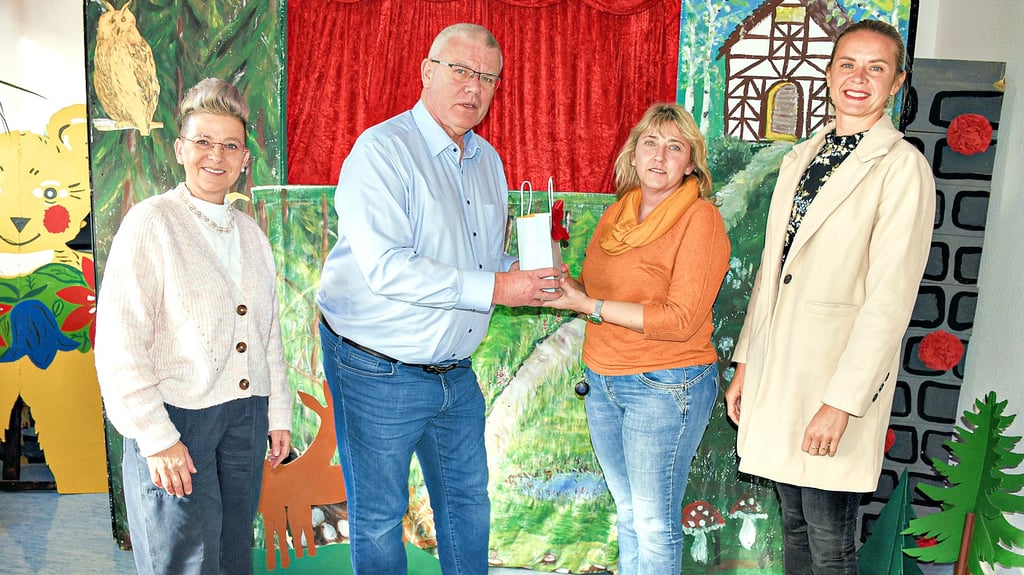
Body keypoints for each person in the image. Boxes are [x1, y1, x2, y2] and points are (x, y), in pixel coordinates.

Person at [316, 23, 560, 575]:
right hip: (376, 368)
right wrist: (501, 287)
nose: (473, 88)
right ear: (427, 72)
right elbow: (389, 269)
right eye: (461, 70)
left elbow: (479, 260)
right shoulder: (381, 151)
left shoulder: (489, 162)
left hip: (455, 374)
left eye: (488, 78)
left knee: (469, 507)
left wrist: (520, 273)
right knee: (379, 518)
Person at [724, 20, 935, 575]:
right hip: (780, 371)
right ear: (829, 72)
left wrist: (842, 402)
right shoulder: (802, 157)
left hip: (835, 380)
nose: (859, 78)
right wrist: (747, 362)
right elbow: (773, 271)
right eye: (848, 64)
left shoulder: (901, 167)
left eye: (876, 67)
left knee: (828, 542)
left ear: (897, 83)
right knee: (792, 525)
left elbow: (890, 300)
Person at [95, 78, 293, 575]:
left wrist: (278, 414)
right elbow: (119, 343)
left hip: (244, 418)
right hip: (178, 419)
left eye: (230, 145)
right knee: (182, 557)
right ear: (181, 148)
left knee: (229, 555)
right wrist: (155, 436)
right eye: (203, 141)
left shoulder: (251, 235)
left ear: (245, 160)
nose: (216, 155)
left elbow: (269, 334)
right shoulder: (150, 223)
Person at [544, 103, 731, 574]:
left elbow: (680, 319)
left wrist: (591, 307)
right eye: (650, 143)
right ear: (634, 152)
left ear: (691, 162)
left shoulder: (700, 219)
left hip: (666, 383)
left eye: (674, 147)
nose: (660, 156)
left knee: (652, 522)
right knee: (628, 515)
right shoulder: (617, 216)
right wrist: (569, 289)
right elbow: (601, 296)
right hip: (603, 379)